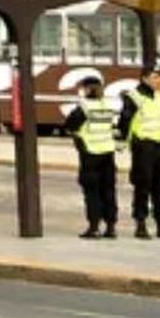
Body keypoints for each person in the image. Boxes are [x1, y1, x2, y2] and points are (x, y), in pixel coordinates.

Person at [117, 67, 160, 240]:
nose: (158, 81)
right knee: (142, 186)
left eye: (159, 77)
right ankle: (141, 224)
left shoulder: (158, 96)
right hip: (143, 147)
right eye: (154, 77)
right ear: (144, 78)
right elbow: (125, 121)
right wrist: (131, 141)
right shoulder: (134, 97)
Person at [62, 76, 118, 239]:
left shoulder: (84, 107)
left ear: (86, 89)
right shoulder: (106, 105)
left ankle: (94, 227)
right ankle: (111, 227)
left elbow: (69, 125)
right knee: (108, 191)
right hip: (108, 153)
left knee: (92, 192)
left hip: (91, 154)